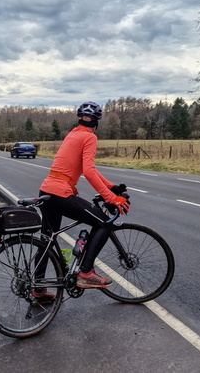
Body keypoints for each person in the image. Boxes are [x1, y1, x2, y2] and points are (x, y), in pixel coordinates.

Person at [32, 101, 130, 304]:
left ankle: (38, 291)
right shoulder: (90, 137)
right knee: (104, 222)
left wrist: (110, 186)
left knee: (46, 240)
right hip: (61, 193)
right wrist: (111, 198)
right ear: (96, 123)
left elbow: (88, 169)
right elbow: (89, 171)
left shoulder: (73, 134)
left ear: (80, 120)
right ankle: (85, 273)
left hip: (47, 191)